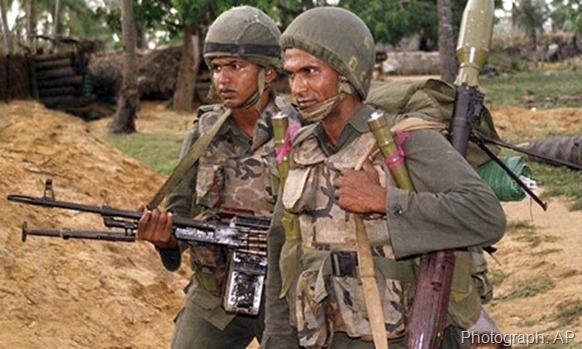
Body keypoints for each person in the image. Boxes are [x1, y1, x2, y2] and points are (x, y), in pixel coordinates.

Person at [261, 7, 507, 349]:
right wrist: (278, 339)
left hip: (399, 335)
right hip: (320, 336)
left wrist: (385, 201)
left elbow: (486, 216)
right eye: (291, 75)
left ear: (347, 74)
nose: (298, 87)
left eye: (310, 72)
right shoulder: (301, 149)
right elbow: (282, 252)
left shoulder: (404, 139)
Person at [136, 6, 299, 349]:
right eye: (216, 68)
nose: (222, 79)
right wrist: (165, 239)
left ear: (268, 73)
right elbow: (178, 214)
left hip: (285, 294)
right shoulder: (203, 134)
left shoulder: (300, 130)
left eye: (235, 67)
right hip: (216, 292)